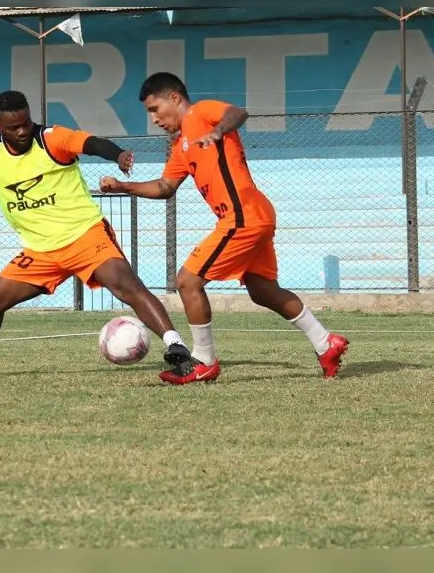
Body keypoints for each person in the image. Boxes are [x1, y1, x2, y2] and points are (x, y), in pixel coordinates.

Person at [0, 90, 192, 378]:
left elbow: (90, 143)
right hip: (41, 251)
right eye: (13, 126)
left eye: (26, 123)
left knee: (125, 284)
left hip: (85, 235)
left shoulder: (51, 139)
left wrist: (118, 154)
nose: (22, 131)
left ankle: (175, 345)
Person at [100, 72, 350, 384]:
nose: (154, 119)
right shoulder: (181, 145)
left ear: (174, 98)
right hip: (252, 215)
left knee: (187, 281)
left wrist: (218, 132)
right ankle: (325, 343)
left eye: (154, 109)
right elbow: (165, 187)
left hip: (242, 216)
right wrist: (123, 186)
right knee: (263, 291)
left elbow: (237, 113)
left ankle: (203, 361)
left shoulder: (200, 113)